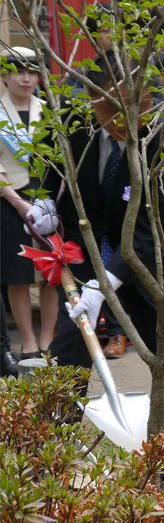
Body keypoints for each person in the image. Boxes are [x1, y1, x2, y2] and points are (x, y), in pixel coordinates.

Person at [36, 63, 164, 450]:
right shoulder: (73, 122)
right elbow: (47, 161)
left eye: (135, 105)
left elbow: (155, 228)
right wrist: (44, 197)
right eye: (108, 109)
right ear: (92, 100)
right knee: (72, 346)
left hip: (150, 260)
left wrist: (105, 285)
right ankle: (54, 436)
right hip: (89, 247)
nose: (123, 119)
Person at [0, 47, 58, 360]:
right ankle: (27, 341)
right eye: (18, 71)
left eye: (32, 72)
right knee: (18, 275)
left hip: (48, 200)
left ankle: (48, 339)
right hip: (9, 200)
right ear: (4, 75)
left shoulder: (50, 110)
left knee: (51, 274)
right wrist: (19, 204)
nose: (26, 78)